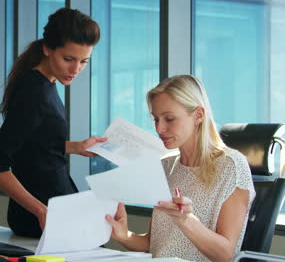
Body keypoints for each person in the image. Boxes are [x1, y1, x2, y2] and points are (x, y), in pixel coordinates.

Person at [0, 8, 106, 238]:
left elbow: (34, 145)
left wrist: (78, 147)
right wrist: (41, 210)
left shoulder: (45, 84)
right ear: (47, 48)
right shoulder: (34, 92)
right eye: (68, 59)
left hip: (57, 210)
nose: (76, 69)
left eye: (84, 61)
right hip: (43, 219)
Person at [105, 75, 256, 262]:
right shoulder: (166, 167)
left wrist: (187, 221)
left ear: (198, 115)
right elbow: (155, 245)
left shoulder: (231, 167)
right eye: (156, 119)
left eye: (169, 119)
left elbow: (225, 255)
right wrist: (123, 235)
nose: (159, 129)